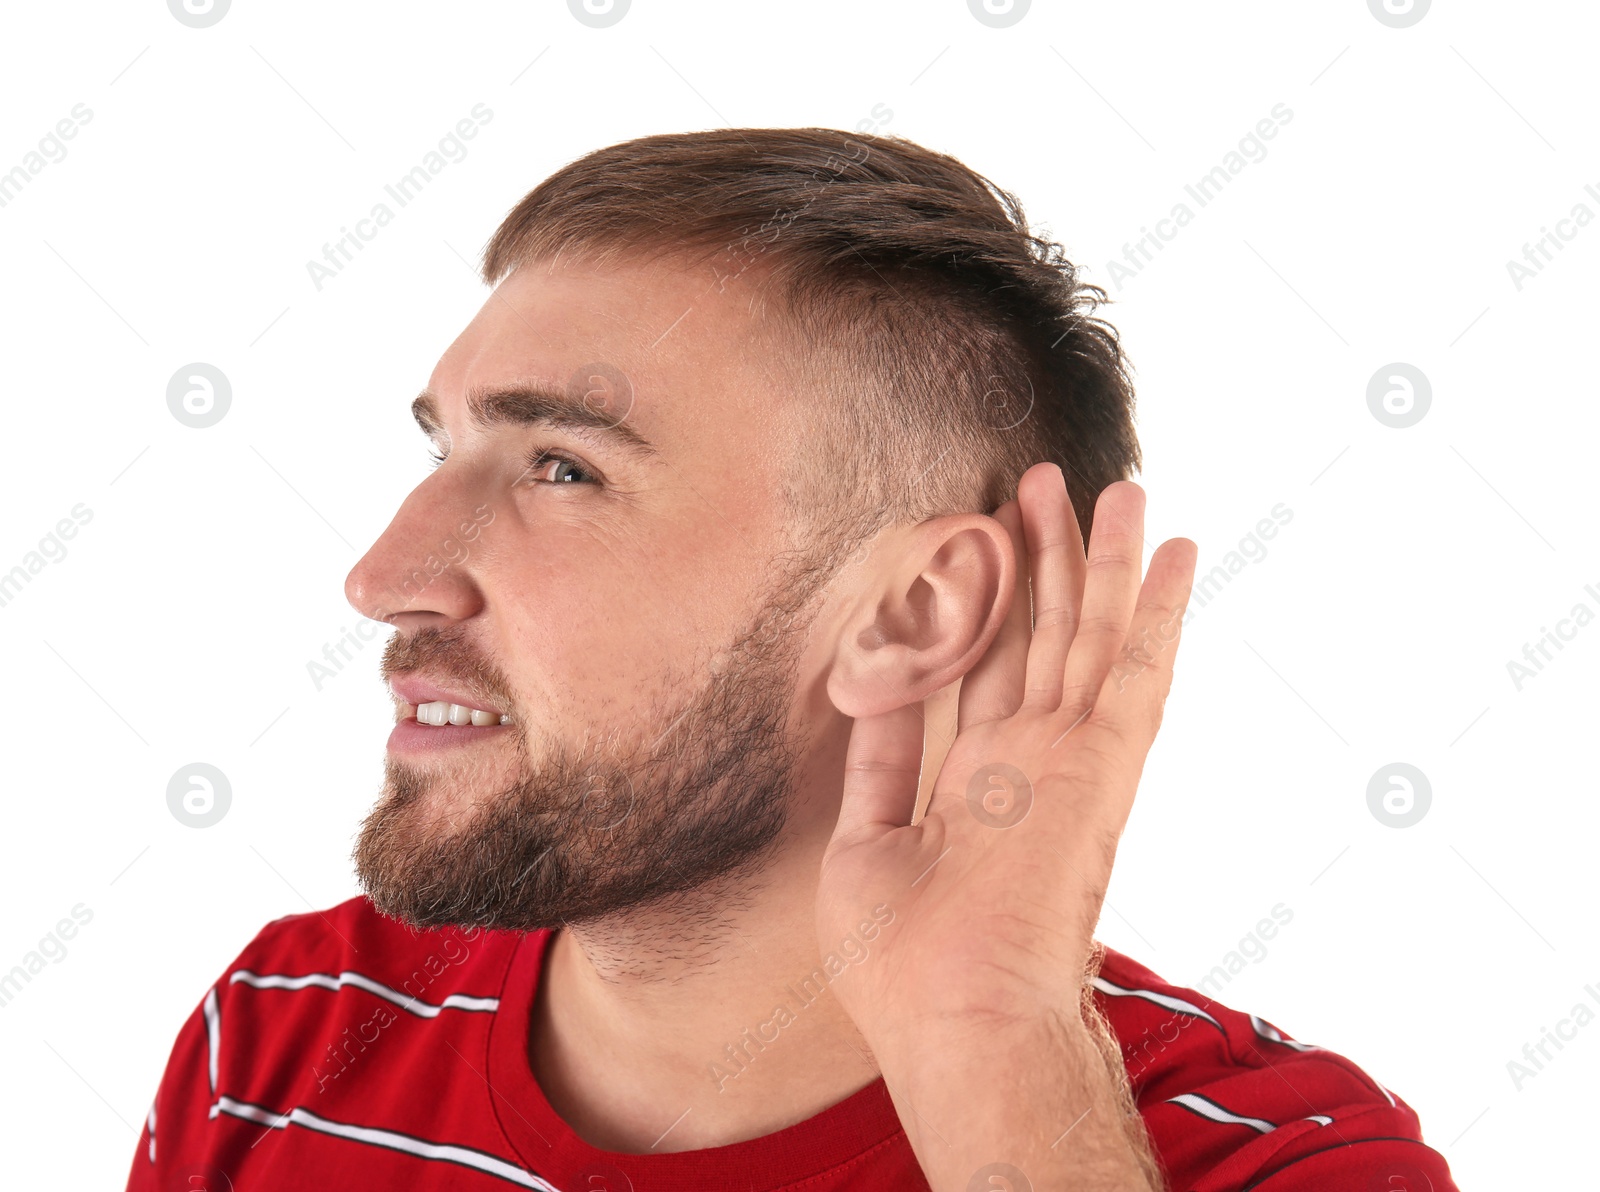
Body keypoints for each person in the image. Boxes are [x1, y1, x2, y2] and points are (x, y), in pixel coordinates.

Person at [127, 128, 1458, 1191]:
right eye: (445, 449)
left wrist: (993, 1042)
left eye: (562, 467)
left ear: (916, 615)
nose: (385, 577)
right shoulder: (289, 1027)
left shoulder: (1284, 1159)